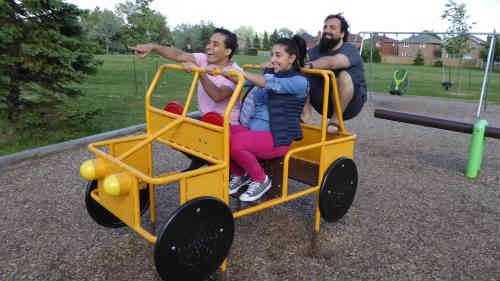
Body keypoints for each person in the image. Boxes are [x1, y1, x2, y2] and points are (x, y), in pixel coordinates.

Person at [129, 28, 242, 171]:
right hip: (205, 119)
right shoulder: (203, 59)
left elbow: (218, 95)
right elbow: (179, 55)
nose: (209, 47)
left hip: (224, 124)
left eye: (215, 44)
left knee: (190, 135)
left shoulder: (234, 73)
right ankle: (201, 161)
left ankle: (213, 166)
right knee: (173, 132)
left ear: (227, 51)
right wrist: (153, 47)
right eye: (209, 43)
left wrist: (199, 72)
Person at [221, 35, 309, 202]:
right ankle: (241, 174)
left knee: (237, 143)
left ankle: (261, 180)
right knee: (220, 134)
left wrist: (242, 72)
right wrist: (219, 70)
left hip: (278, 137)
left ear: (292, 58)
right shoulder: (270, 75)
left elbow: (267, 83)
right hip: (254, 132)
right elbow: (241, 79)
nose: (273, 60)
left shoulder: (299, 82)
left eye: (278, 55)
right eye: (272, 55)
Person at [301, 13, 367, 134]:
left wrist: (310, 65)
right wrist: (276, 62)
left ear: (342, 34)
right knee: (299, 72)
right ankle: (306, 116)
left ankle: (335, 121)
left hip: (350, 104)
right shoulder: (316, 49)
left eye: (332, 27)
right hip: (323, 101)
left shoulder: (350, 50)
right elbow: (299, 58)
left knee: (343, 76)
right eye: (325, 27)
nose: (327, 30)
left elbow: (332, 62)